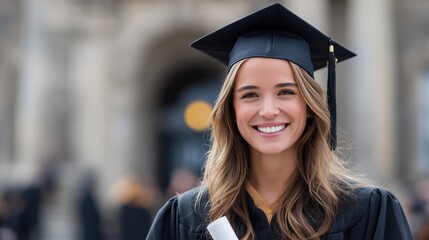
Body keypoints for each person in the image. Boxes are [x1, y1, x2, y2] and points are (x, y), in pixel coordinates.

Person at [146, 3, 412, 239]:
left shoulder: (367, 213)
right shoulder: (186, 219)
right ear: (231, 109)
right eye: (250, 95)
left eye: (286, 92)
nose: (269, 110)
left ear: (309, 105)